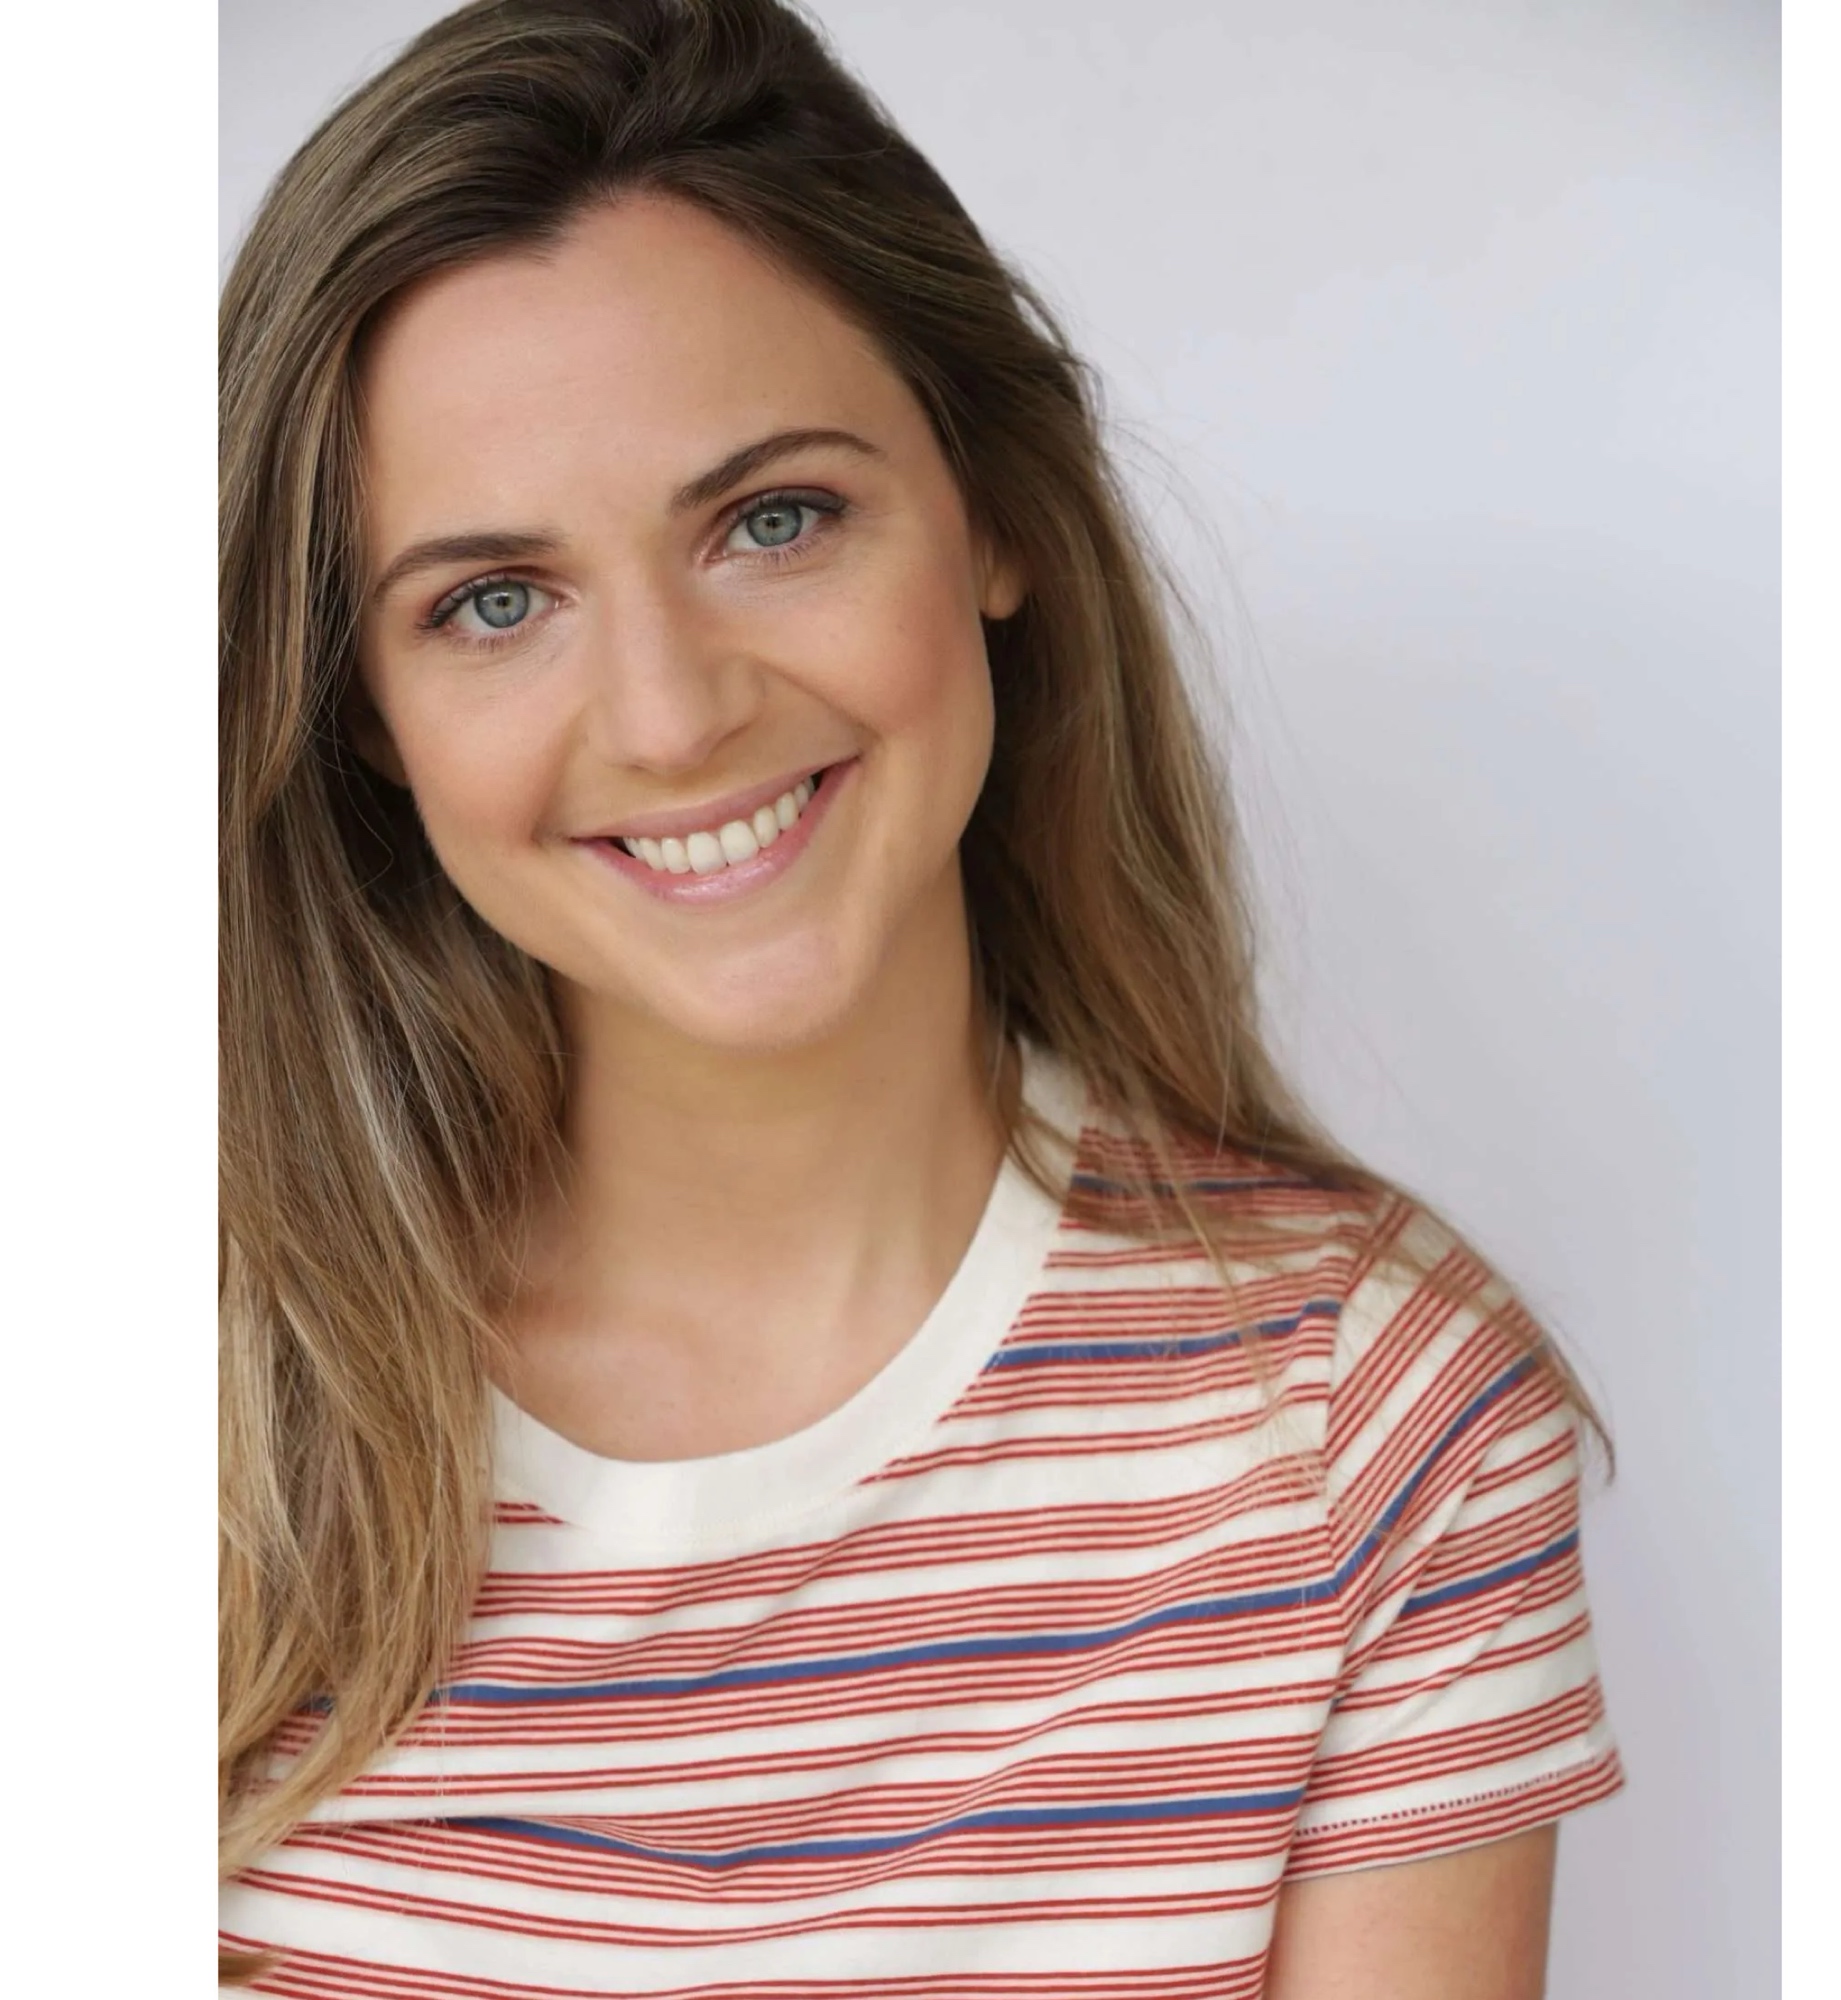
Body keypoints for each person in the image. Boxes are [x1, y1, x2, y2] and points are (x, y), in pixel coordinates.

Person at [218, 0, 1624, 1991]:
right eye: (494, 602)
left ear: (996, 516)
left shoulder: (1370, 1425)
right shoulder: (179, 1408)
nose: (670, 714)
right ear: (365, 714)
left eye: (771, 520)